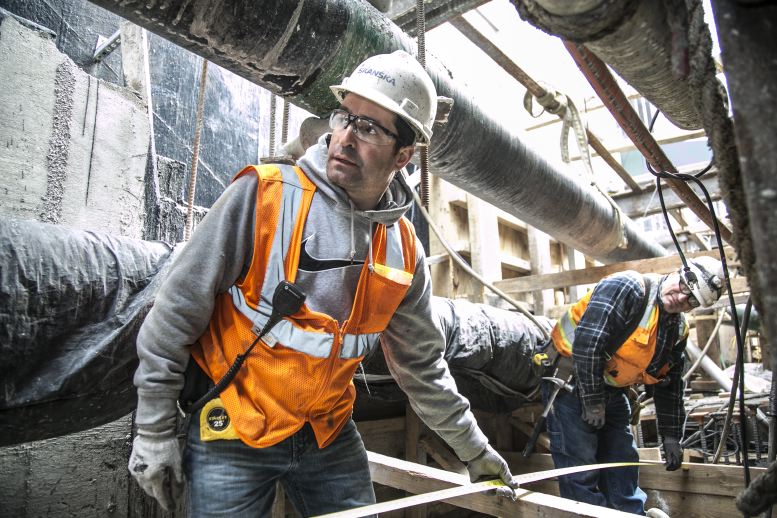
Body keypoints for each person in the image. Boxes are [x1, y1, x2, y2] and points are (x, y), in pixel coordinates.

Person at [127, 50, 517, 516]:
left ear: (404, 154)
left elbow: (423, 368)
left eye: (369, 128)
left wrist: (475, 451)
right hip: (234, 423)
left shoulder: (404, 249)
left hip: (326, 431)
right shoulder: (265, 196)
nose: (345, 138)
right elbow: (173, 313)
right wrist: (153, 431)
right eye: (345, 116)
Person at [541, 256, 725, 515]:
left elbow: (669, 384)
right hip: (572, 383)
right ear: (679, 273)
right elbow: (588, 344)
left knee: (622, 464)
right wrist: (592, 402)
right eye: (685, 287)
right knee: (580, 469)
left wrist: (671, 436)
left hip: (613, 392)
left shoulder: (676, 329)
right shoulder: (628, 287)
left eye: (692, 301)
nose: (682, 298)